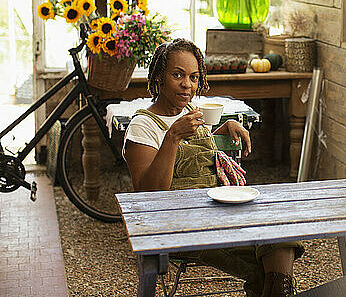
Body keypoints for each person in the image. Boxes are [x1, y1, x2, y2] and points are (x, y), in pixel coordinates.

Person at [123, 39, 303, 297]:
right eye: (178, 75)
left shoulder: (190, 110)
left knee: (283, 227)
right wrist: (172, 137)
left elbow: (199, 151)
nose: (188, 84)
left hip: (219, 214)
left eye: (194, 77)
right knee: (269, 263)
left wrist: (221, 130)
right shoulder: (143, 125)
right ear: (159, 77)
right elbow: (148, 195)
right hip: (178, 226)